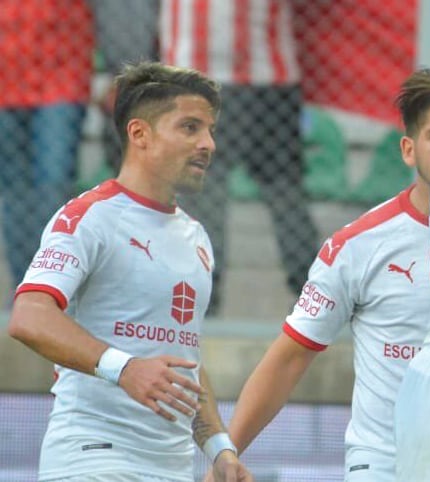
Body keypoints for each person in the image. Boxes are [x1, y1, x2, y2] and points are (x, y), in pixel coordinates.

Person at [203, 66, 430, 482]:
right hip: (385, 463)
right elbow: (289, 358)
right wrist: (226, 455)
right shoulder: (358, 245)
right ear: (408, 149)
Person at [7, 62, 252, 482]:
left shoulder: (196, 237)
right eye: (190, 128)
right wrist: (126, 368)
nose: (208, 144)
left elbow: (185, 360)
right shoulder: (90, 217)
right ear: (139, 134)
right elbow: (30, 316)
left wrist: (219, 449)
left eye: (210, 130)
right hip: (92, 459)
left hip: (171, 468)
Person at [160, 0, 320, 314]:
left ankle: (315, 294)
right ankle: (203, 298)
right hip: (203, 76)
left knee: (278, 189)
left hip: (264, 79)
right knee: (206, 191)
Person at [0, 1, 93, 289]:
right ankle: (25, 288)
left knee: (54, 185)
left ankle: (54, 286)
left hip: (61, 76)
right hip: (5, 77)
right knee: (14, 191)